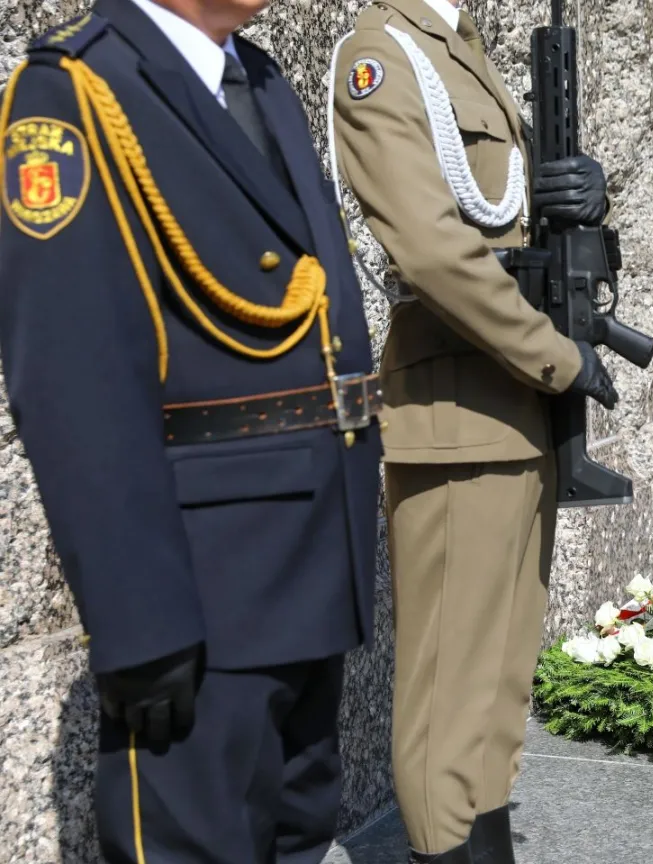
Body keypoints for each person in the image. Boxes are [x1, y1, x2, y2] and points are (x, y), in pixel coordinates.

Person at [0, 1, 383, 861]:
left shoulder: (254, 74)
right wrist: (139, 623)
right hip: (203, 597)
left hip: (310, 568)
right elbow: (72, 379)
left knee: (298, 838)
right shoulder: (73, 91)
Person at [328, 1, 620, 861]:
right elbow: (430, 248)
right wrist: (555, 357)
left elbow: (515, 212)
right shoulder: (381, 54)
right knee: (449, 700)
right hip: (457, 409)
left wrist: (589, 193)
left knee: (498, 686)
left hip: (516, 407)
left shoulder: (462, 50)